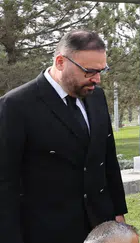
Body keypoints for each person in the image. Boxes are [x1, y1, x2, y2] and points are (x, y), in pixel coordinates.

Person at [0, 30, 127, 243]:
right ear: (60, 62)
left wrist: (117, 213)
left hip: (100, 228)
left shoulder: (97, 97)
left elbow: (107, 159)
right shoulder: (15, 106)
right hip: (46, 231)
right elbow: (5, 184)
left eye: (101, 70)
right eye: (89, 71)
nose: (96, 79)